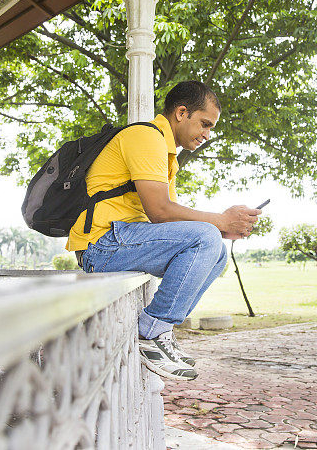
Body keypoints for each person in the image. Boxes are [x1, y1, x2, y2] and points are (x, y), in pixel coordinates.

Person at [67, 81, 261, 381]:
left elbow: (164, 220)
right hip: (102, 244)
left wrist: (224, 229)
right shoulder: (146, 136)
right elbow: (160, 210)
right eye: (205, 124)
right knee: (207, 237)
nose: (207, 135)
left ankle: (162, 331)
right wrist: (219, 222)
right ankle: (152, 332)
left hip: (124, 239)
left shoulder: (167, 154)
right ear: (182, 113)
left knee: (217, 253)